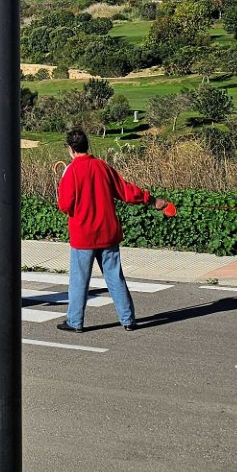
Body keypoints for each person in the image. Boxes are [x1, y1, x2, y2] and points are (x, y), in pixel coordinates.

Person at [55, 128, 174, 332]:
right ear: (86, 145)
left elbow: (65, 205)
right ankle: (127, 319)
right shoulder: (102, 166)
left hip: (83, 236)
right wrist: (153, 200)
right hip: (108, 232)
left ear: (70, 149)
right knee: (115, 277)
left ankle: (75, 321)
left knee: (79, 280)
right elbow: (126, 191)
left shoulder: (72, 171)